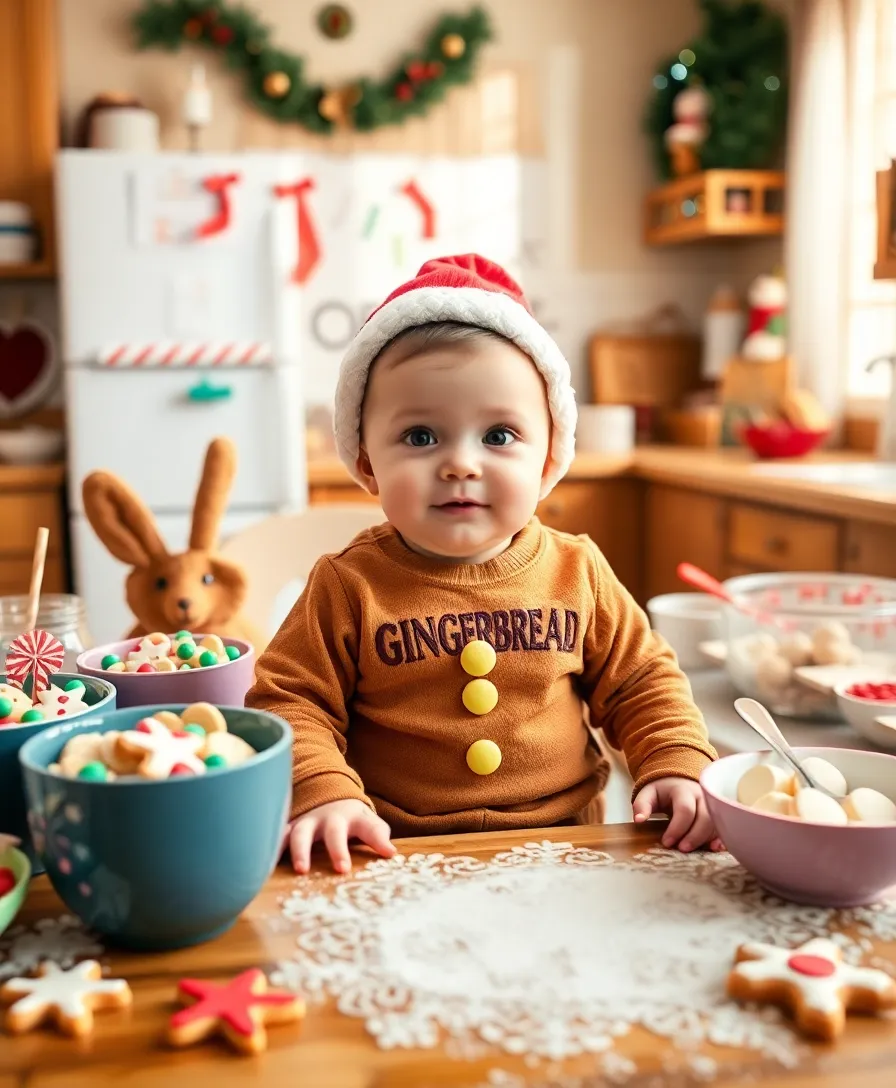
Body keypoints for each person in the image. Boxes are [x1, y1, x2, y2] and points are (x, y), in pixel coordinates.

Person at [246, 254, 719, 874]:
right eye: (420, 436)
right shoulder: (348, 585)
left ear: (549, 459)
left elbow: (643, 682)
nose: (460, 464)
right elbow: (289, 701)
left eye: (498, 436)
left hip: (569, 854)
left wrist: (676, 760)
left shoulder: (577, 571)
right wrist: (325, 793)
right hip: (394, 853)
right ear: (366, 463)